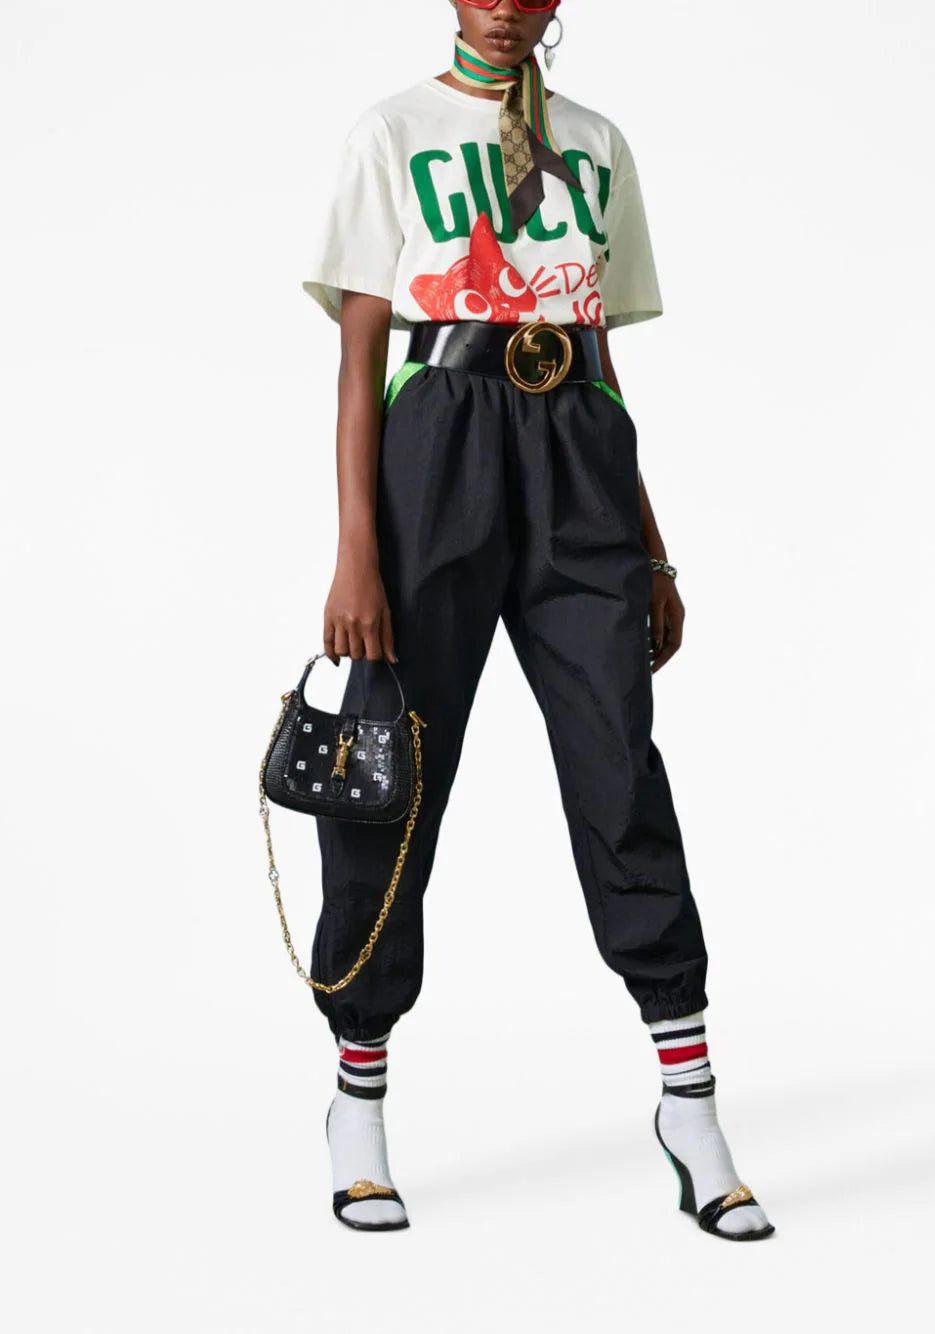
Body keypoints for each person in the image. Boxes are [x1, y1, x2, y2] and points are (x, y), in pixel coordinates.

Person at [299, 0, 774, 1240]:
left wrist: (648, 540)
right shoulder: (391, 131)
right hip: (437, 448)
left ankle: (690, 1103)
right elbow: (360, 356)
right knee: (395, 775)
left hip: (577, 457)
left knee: (620, 767)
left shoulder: (598, 143)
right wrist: (357, 551)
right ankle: (358, 1094)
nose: (505, 3)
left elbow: (599, 350)